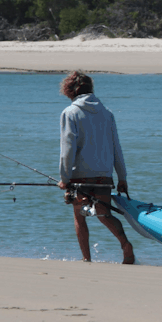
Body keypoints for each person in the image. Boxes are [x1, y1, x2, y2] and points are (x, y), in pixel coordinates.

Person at [58, 71, 135, 264]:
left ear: (69, 90)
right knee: (104, 214)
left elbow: (68, 149)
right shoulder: (107, 113)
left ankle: (86, 258)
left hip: (80, 176)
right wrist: (122, 177)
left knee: (79, 217)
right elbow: (116, 148)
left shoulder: (70, 113)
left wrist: (64, 178)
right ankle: (125, 244)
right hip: (104, 175)